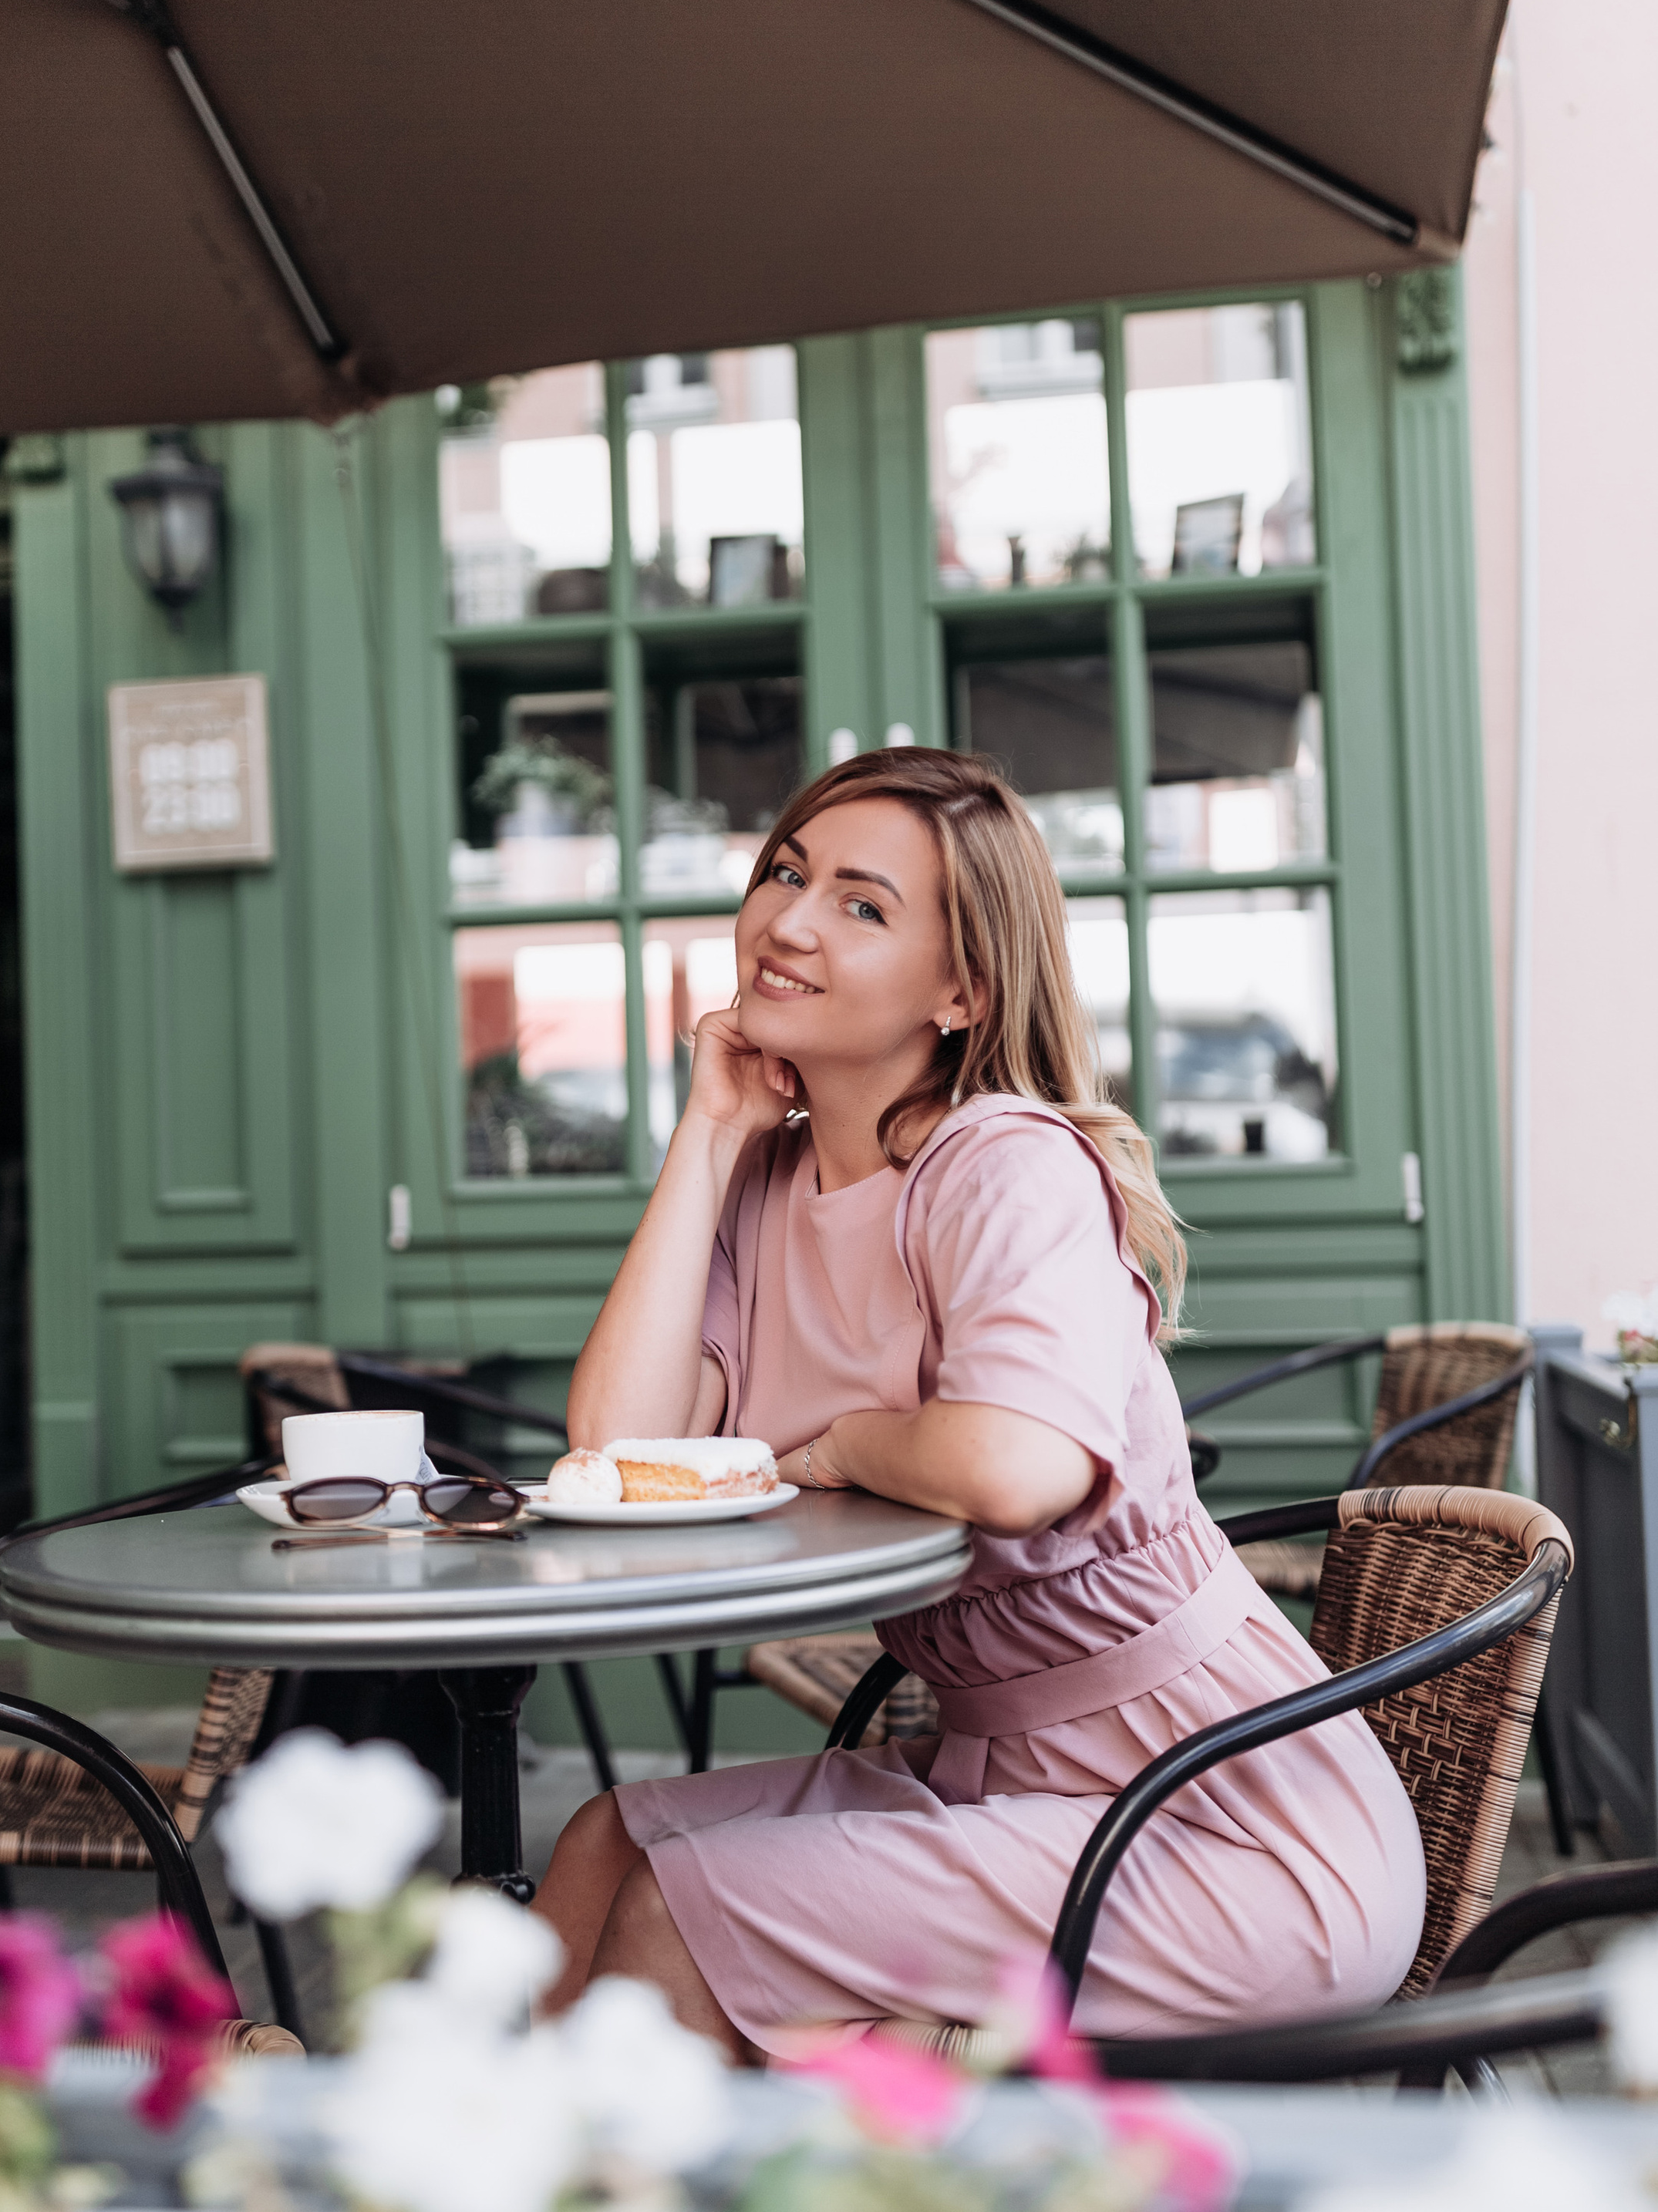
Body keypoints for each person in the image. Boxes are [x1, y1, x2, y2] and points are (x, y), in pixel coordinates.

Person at [532, 746, 1424, 2062]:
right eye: (786, 872)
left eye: (861, 903)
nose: (787, 920)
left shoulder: (1003, 1162)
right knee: (610, 1837)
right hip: (1013, 1781)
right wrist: (708, 1139)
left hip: (1221, 1830)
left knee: (685, 1904)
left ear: (962, 988)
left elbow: (1018, 1468)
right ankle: (483, 2206)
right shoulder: (767, 1185)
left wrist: (839, 1445)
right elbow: (614, 1451)